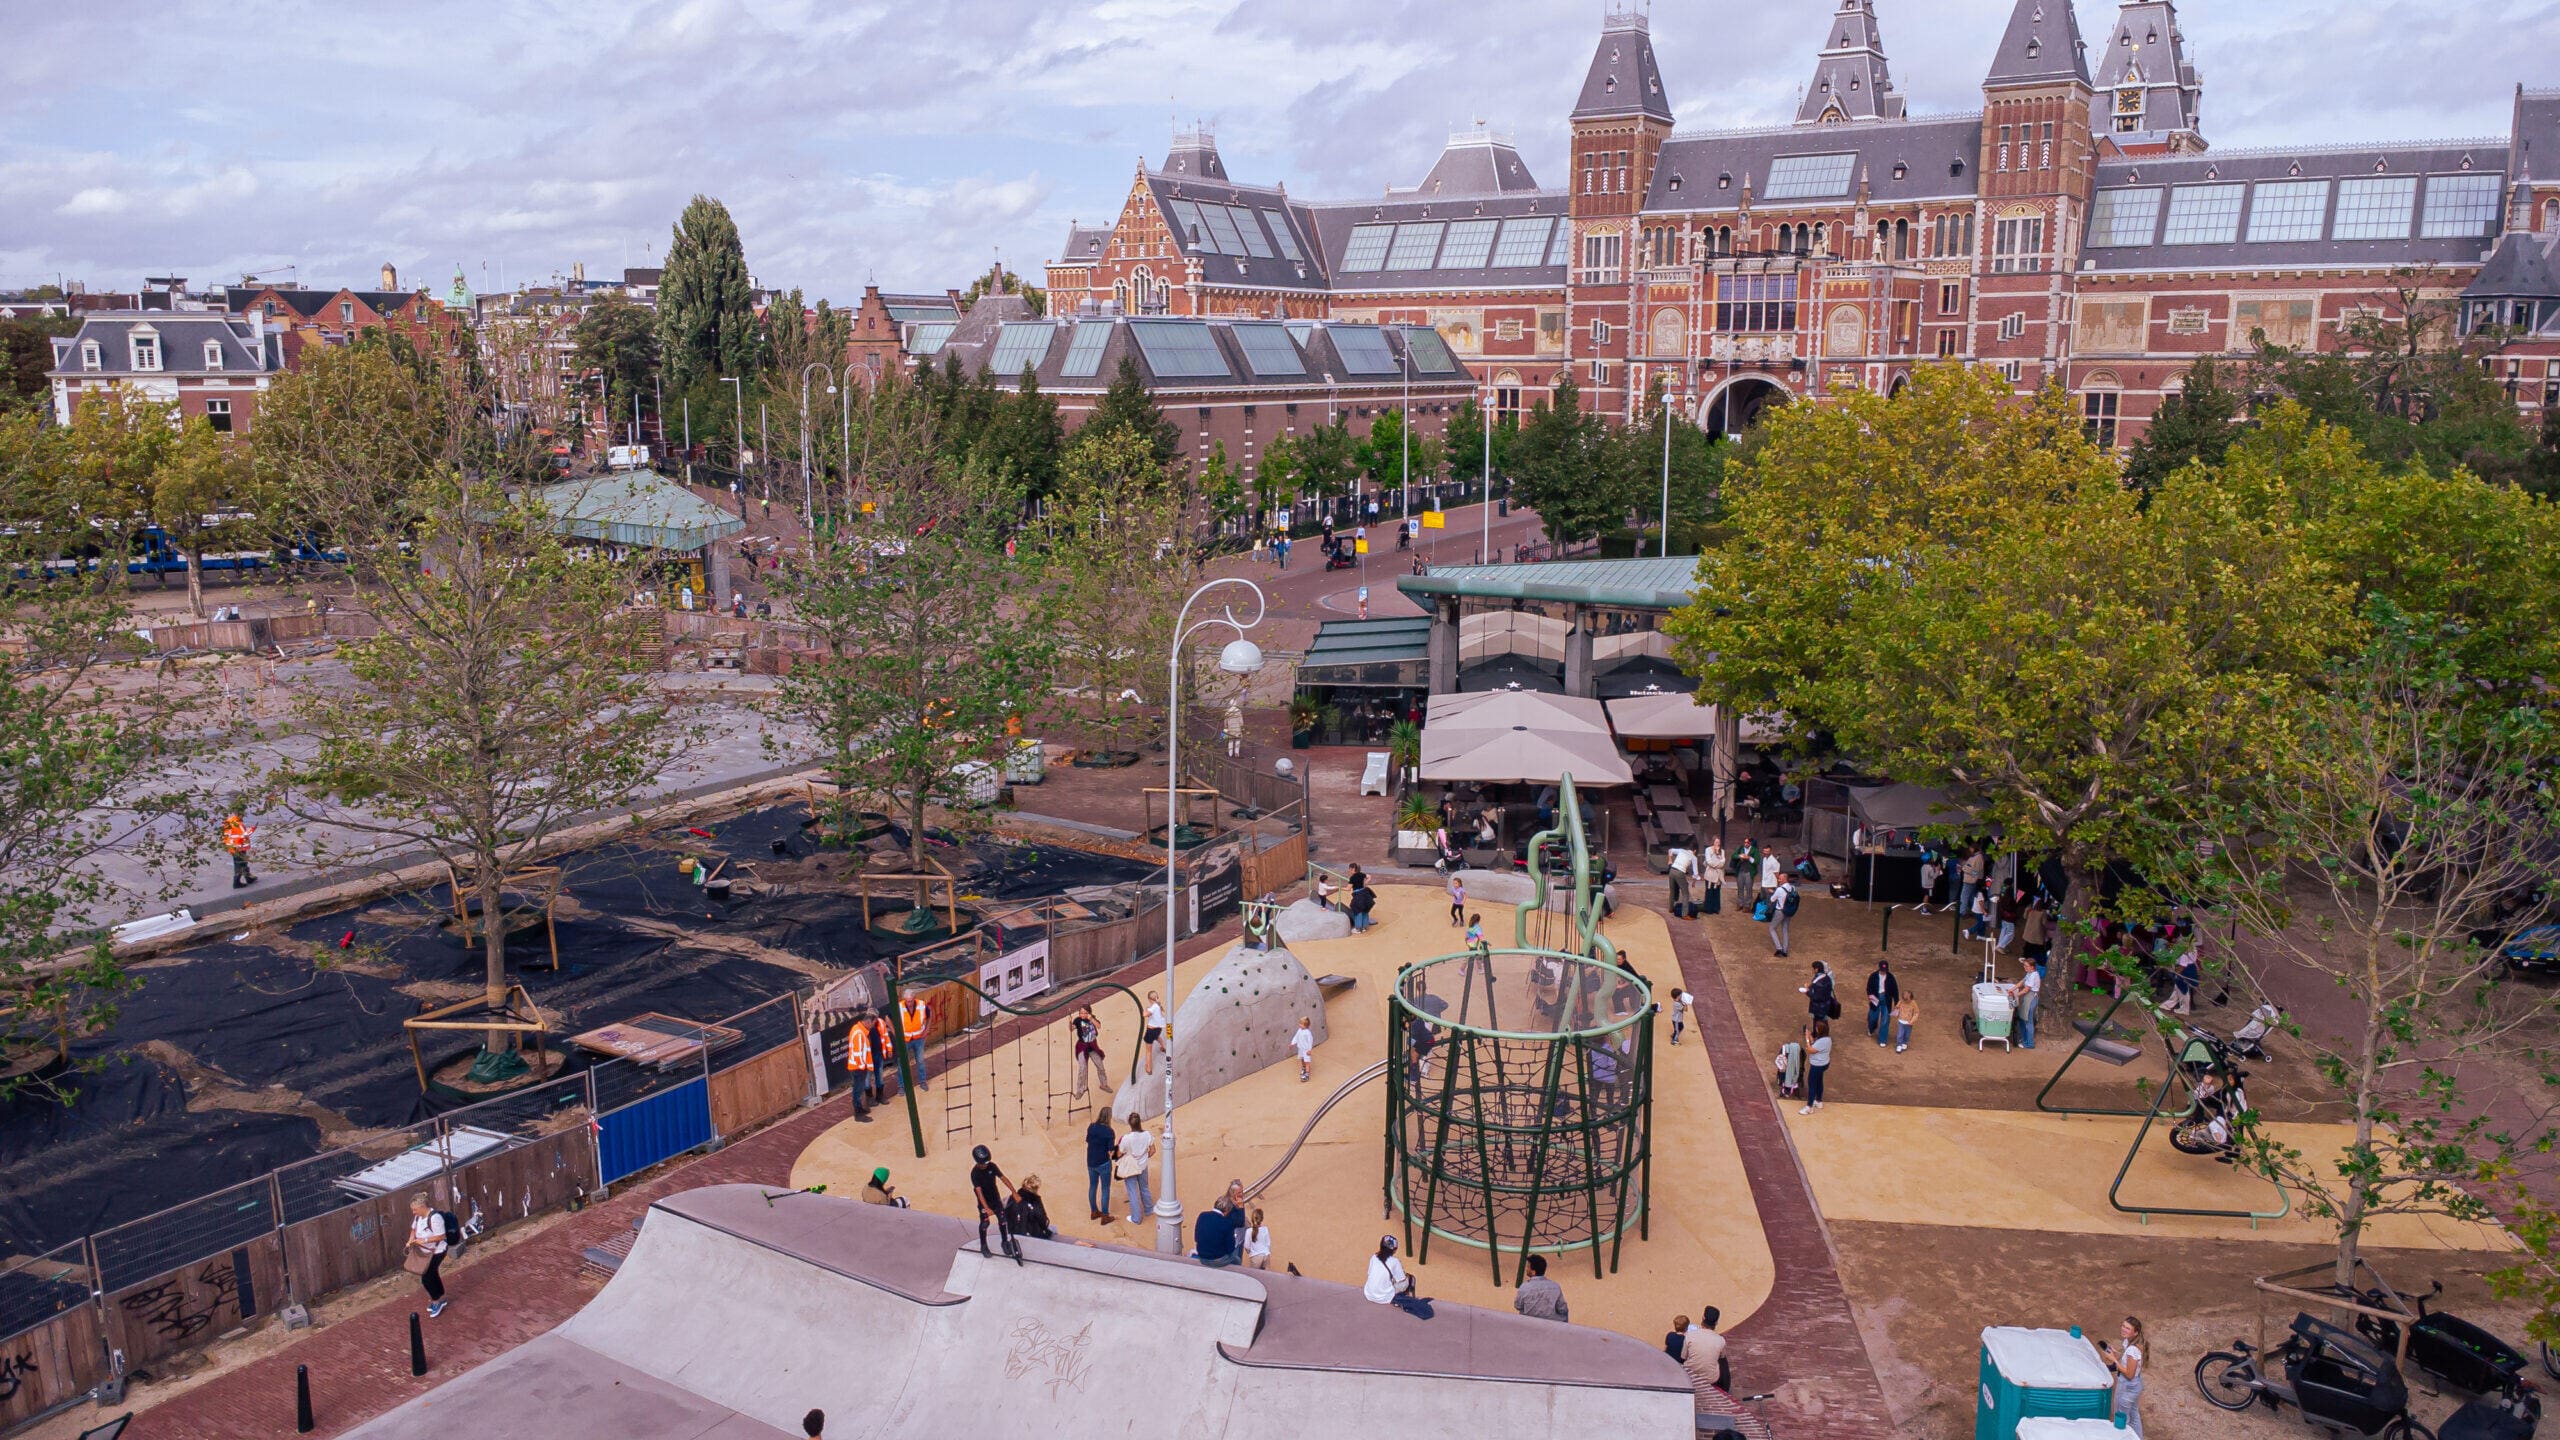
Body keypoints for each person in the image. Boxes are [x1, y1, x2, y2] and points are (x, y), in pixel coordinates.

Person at [969, 1144, 1022, 1264]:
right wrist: (986, 1208)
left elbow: (1003, 1178)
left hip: (995, 1199)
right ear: (977, 1162)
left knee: (1003, 1221)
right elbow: (979, 1191)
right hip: (984, 1202)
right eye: (983, 1163)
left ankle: (1004, 1241)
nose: (986, 1165)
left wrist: (1013, 1192)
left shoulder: (992, 1166)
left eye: (987, 1162)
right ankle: (983, 1245)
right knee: (984, 1224)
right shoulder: (975, 1173)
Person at [406, 1193, 451, 1317]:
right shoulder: (418, 1218)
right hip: (425, 1252)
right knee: (432, 1272)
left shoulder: (435, 1218)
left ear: (422, 1207)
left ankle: (436, 1300)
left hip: (437, 1251)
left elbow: (441, 1236)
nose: (413, 1212)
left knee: (426, 1277)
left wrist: (424, 1241)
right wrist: (411, 1240)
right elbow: (413, 1230)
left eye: (415, 1210)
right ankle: (441, 1295)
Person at [2101, 1316, 2146, 1435]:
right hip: (2135, 1385)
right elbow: (2127, 1360)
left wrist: (2113, 1360)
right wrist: (2116, 1353)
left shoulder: (2133, 1350)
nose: (2124, 1329)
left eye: (2128, 1328)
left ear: (2135, 1332)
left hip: (2128, 1386)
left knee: (2121, 1418)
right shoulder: (2129, 1342)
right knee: (2133, 1414)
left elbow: (2129, 1374)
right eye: (2123, 1326)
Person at [1364, 1235, 1421, 1314]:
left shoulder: (1374, 1257)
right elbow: (1401, 1279)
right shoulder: (1395, 1261)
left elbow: (1369, 1273)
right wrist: (1407, 1276)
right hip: (1384, 1297)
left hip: (1369, 1293)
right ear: (1394, 1250)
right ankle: (1403, 1295)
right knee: (1410, 1279)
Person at [1116, 1113, 1155, 1224]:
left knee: (1133, 1192)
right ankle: (1149, 1209)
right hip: (1143, 1166)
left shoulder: (1126, 1138)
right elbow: (1153, 1150)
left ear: (1130, 1124)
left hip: (1131, 1168)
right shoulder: (1147, 1134)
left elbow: (1119, 1154)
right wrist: (1144, 1158)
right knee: (1144, 1187)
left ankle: (1136, 1218)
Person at [1683, 1308, 1731, 1394]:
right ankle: (1725, 1388)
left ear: (1703, 1318)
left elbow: (1683, 1356)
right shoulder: (1720, 1340)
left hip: (1690, 1375)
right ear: (1716, 1323)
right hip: (1711, 1378)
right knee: (1723, 1360)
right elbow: (1722, 1358)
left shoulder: (1690, 1335)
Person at [1511, 1253, 1570, 1321]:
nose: (1526, 1269)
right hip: (1551, 1324)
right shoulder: (1555, 1286)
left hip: (1529, 1324)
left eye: (1528, 1267)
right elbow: (1562, 1309)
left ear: (1533, 1272)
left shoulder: (1524, 1287)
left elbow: (1518, 1306)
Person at [1084, 1109, 1118, 1222]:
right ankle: (1105, 1215)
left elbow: (1088, 1140)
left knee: (1093, 1186)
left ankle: (1094, 1211)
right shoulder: (1109, 1132)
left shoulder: (1092, 1126)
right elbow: (1110, 1151)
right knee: (1105, 1188)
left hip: (1091, 1161)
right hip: (1103, 1163)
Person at [1069, 1005, 1110, 1100]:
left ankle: (1104, 1084)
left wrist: (1091, 1018)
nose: (1082, 1014)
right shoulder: (1078, 1020)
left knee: (1100, 1065)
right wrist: (1070, 1022)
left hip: (1092, 1046)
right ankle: (1080, 1090)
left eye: (1085, 1013)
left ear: (1089, 1013)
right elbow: (1071, 1029)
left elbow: (1099, 1026)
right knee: (1082, 1068)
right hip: (1082, 1046)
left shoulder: (1092, 1019)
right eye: (1081, 1013)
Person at [843, 1011, 876, 1122]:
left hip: (857, 1066)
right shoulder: (859, 1033)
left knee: (858, 1089)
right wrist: (863, 1066)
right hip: (858, 1068)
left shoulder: (858, 1030)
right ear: (867, 1022)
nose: (873, 1026)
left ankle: (860, 1109)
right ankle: (858, 1114)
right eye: (872, 1023)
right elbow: (858, 1053)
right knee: (858, 1091)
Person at [1006, 1176, 1054, 1242]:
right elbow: (1042, 1219)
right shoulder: (1035, 1200)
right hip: (1032, 1236)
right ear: (1035, 1188)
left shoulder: (1012, 1197)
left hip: (1013, 1234)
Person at [1799, 1018, 1832, 1114]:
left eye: (1817, 1028)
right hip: (1824, 1063)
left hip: (1817, 1065)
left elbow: (1810, 1049)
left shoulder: (1822, 1041)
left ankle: (1809, 1107)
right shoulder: (1827, 1039)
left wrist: (1807, 1039)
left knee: (1812, 1084)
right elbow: (1816, 1045)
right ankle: (1818, 1101)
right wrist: (1810, 1038)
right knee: (1819, 1081)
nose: (1815, 1029)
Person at [2011, 956, 2043, 1049]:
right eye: (2024, 966)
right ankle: (2025, 1039)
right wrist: (2011, 989)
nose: (2025, 967)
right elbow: (2022, 982)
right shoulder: (2029, 973)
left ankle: (2029, 1044)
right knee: (2023, 1019)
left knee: (2028, 1021)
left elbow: (2026, 989)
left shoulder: (2034, 975)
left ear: (2032, 967)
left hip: (2031, 998)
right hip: (2027, 998)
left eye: (2026, 966)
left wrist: (2015, 995)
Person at [899, 994, 930, 1090]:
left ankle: (923, 1081)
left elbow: (929, 1015)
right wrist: (895, 1032)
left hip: (918, 1038)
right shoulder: (899, 1007)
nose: (910, 1003)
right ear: (904, 1000)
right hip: (905, 1039)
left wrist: (927, 1030)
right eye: (908, 1001)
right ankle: (901, 1086)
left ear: (914, 998)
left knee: (920, 1061)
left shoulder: (921, 1005)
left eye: (911, 1001)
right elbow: (888, 1018)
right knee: (902, 1063)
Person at [1866, 960, 1900, 1048]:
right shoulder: (1873, 976)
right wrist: (1871, 996)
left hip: (1886, 1000)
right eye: (1882, 970)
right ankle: (1871, 1028)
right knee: (1873, 1017)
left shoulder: (1891, 977)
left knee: (1885, 1020)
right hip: (1875, 999)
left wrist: (1897, 1003)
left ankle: (1882, 1039)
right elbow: (1869, 987)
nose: (1884, 971)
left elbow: (1895, 991)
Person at [1958, 848, 1989, 935]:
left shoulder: (1977, 858)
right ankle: (1979, 934)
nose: (1969, 849)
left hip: (1971, 881)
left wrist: (1964, 868)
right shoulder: (1975, 857)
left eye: (1971, 848)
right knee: (1973, 898)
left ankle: (1963, 914)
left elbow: (1975, 872)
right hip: (1980, 912)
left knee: (1968, 897)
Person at [2166, 939, 2200, 1017]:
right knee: (2186, 987)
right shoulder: (2193, 947)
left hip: (2185, 969)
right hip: (2192, 967)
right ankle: (2187, 1004)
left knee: (2183, 988)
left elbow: (2183, 965)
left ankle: (2184, 1007)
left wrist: (2175, 973)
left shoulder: (2184, 950)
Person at [223, 812, 257, 889]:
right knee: (241, 863)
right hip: (238, 846)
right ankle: (237, 882)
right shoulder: (237, 823)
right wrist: (252, 829)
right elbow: (244, 834)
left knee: (242, 862)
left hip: (233, 846)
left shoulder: (229, 821)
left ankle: (248, 877)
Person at [1767, 876, 1797, 957]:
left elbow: (1772, 899)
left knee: (1772, 928)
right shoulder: (1793, 888)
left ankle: (1779, 948)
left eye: (1780, 879)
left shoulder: (1779, 889)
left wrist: (1772, 892)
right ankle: (1785, 950)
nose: (1778, 880)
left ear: (1784, 879)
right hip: (1788, 911)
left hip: (1780, 911)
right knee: (1785, 929)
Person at [1667, 844, 1696, 917]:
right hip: (1680, 872)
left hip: (1672, 870)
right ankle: (1685, 914)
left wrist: (1670, 860)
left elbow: (1670, 850)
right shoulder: (1693, 857)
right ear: (1695, 851)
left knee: (1672, 891)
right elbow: (1696, 873)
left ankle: (1670, 908)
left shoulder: (1681, 850)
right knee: (1685, 893)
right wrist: (1694, 882)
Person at [1700, 840, 1726, 915]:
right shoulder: (1708, 850)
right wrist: (1718, 864)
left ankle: (1716, 908)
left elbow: (1723, 862)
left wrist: (1718, 853)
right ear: (1713, 842)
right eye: (1716, 842)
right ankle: (1708, 908)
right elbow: (1709, 862)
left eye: (1719, 842)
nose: (1718, 843)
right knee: (1709, 891)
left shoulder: (1722, 851)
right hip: (1710, 873)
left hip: (1718, 875)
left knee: (1717, 891)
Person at [1142, 992, 1166, 1074]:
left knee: (1148, 1051)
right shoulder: (1158, 1006)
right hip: (1158, 1028)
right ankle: (1164, 1047)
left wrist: (1145, 1008)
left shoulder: (1153, 1008)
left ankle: (1149, 1068)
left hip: (1151, 1030)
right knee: (1157, 1037)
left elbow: (1145, 1014)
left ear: (1149, 999)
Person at [1892, 989, 1917, 1053]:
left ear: (1911, 998)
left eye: (1907, 1000)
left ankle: (1904, 1042)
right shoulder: (1901, 1001)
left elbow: (1916, 1012)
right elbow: (1897, 1007)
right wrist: (1897, 1008)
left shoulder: (1913, 1003)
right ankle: (1899, 1045)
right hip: (1901, 1021)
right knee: (1900, 1034)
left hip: (1909, 1022)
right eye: (1904, 999)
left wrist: (1912, 1020)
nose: (1905, 1001)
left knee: (1907, 1034)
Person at [1291, 1016, 1315, 1082]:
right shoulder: (1299, 1030)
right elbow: (1296, 1037)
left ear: (1306, 1025)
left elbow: (1310, 1041)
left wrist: (1309, 1050)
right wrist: (1292, 1043)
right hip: (1301, 1048)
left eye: (1301, 1024)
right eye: (1300, 1023)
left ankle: (1307, 1074)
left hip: (1306, 1050)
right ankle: (1303, 1068)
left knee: (1307, 1061)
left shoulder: (1308, 1033)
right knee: (1302, 1059)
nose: (1299, 1025)